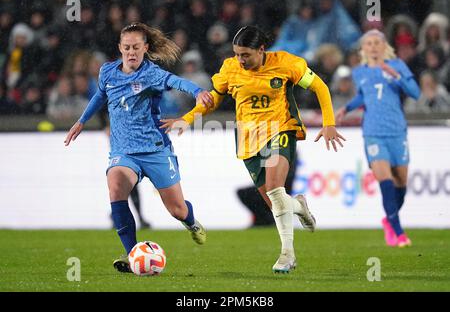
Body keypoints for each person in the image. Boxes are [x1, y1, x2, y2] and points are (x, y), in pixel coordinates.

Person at [161, 26, 345, 273]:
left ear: (261, 49)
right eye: (237, 54)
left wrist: (329, 123)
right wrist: (189, 117)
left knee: (275, 190)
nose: (240, 59)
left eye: (245, 54)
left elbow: (319, 86)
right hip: (248, 140)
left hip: (280, 129)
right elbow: (213, 98)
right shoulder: (231, 68)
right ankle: (299, 206)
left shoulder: (286, 63)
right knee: (274, 203)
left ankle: (287, 254)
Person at [64, 22, 211, 273]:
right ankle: (133, 255)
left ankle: (191, 222)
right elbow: (100, 96)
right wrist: (81, 121)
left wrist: (197, 91)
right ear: (120, 48)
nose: (131, 52)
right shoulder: (107, 72)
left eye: (136, 47)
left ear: (145, 48)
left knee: (177, 209)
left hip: (155, 149)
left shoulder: (151, 74)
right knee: (115, 185)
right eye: (127, 47)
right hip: (123, 152)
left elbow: (177, 82)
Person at [335, 29, 421, 248]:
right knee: (386, 180)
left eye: (377, 43)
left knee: (401, 184)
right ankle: (399, 233)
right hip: (373, 132)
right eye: (369, 43)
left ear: (384, 46)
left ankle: (388, 220)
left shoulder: (398, 66)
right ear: (363, 49)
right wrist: (346, 108)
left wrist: (396, 76)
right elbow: (364, 96)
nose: (373, 46)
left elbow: (415, 93)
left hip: (397, 131)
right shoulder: (359, 73)